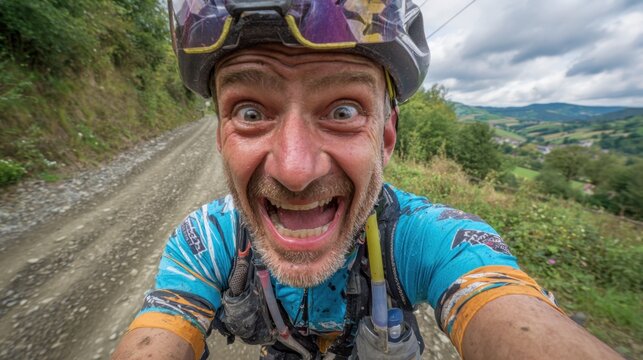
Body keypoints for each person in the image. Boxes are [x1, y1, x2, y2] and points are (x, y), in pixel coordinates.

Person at [113, 1, 623, 359]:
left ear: (386, 135)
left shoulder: (426, 237)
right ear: (221, 134)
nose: (294, 169)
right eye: (250, 111)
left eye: (342, 109)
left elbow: (501, 300)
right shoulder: (203, 243)